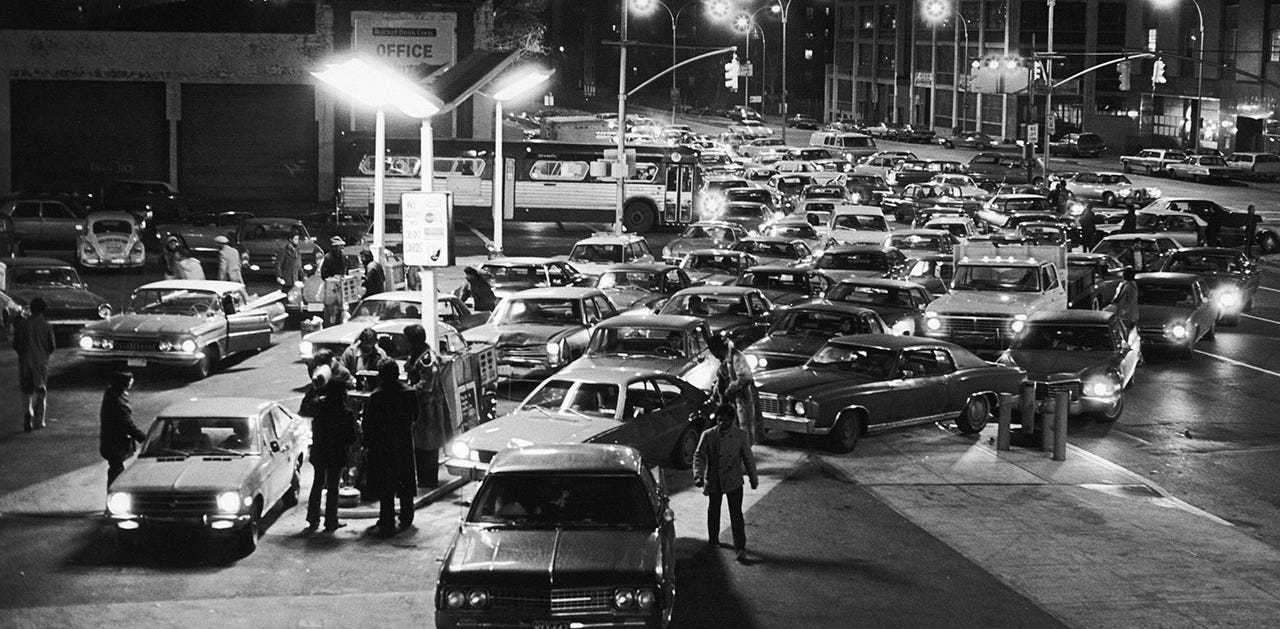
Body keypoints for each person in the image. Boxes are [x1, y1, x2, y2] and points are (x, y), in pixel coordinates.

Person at [693, 404, 759, 563]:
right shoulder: (708, 435)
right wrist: (698, 475)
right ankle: (713, 539)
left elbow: (748, 458)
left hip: (733, 480)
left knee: (736, 514)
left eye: (725, 421)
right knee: (713, 510)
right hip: (714, 480)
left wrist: (753, 477)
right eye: (719, 420)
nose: (722, 423)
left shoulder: (740, 436)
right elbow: (699, 456)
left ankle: (740, 547)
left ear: (732, 420)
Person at [363, 359, 417, 536]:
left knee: (386, 485)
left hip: (383, 446)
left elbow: (368, 424)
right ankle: (407, 516)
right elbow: (415, 416)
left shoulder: (377, 396)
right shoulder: (409, 393)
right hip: (403, 443)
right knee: (405, 481)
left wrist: (368, 444)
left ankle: (387, 520)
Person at [305, 351, 357, 532]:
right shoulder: (345, 412)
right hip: (337, 453)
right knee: (333, 486)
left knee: (317, 482)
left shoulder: (319, 407)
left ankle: (312, 518)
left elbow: (306, 408)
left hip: (320, 450)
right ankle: (331, 520)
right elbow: (351, 437)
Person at [405, 324, 450, 488]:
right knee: (419, 445)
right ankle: (422, 477)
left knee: (429, 446)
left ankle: (429, 480)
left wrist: (407, 391)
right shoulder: (416, 355)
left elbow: (427, 385)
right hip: (418, 409)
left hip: (428, 409)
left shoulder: (427, 359)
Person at [13, 297, 56, 432]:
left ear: (31, 309)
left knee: (26, 390)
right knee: (41, 390)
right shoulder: (47, 326)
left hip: (25, 361)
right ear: (43, 310)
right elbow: (52, 346)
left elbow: (16, 344)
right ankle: (39, 420)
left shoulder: (22, 325)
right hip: (41, 362)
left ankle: (28, 413)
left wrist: (22, 353)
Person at [710, 335, 761, 445]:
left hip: (743, 399)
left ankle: (745, 453)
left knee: (744, 429)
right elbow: (721, 380)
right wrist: (716, 393)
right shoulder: (725, 361)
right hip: (733, 402)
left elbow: (745, 377)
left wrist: (730, 390)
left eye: (713, 350)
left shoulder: (737, 357)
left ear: (718, 348)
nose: (713, 355)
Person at [99, 371, 147, 488]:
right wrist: (145, 439)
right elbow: (128, 426)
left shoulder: (111, 394)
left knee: (116, 469)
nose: (132, 382)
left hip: (109, 441)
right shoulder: (119, 403)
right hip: (116, 444)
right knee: (117, 471)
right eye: (130, 380)